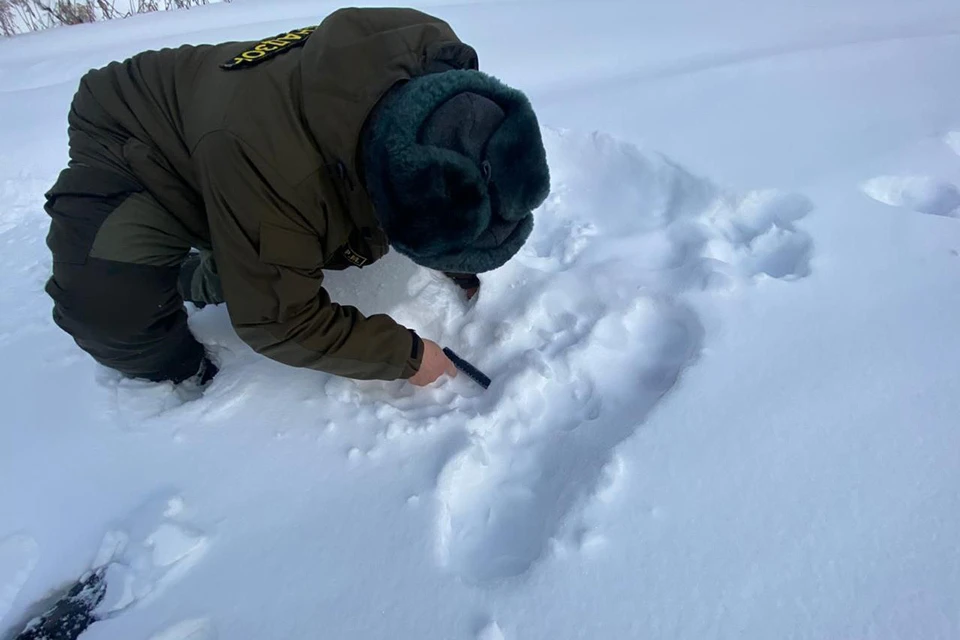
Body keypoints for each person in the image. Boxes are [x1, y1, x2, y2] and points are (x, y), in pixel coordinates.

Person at [43, 6, 550, 390]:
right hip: (136, 139)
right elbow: (279, 320)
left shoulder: (434, 59)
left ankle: (224, 262)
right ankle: (185, 371)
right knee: (108, 307)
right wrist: (410, 358)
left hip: (234, 146)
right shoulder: (279, 178)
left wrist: (455, 245)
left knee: (274, 249)